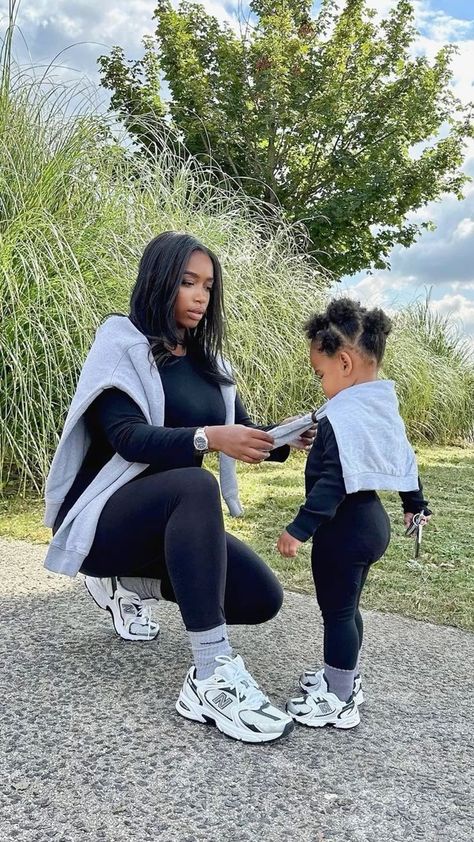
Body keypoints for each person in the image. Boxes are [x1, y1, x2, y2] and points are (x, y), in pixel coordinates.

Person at [43, 231, 314, 744]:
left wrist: (289, 437)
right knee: (194, 482)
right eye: (187, 282)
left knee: (260, 597)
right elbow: (126, 436)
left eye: (208, 286)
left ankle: (129, 587)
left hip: (170, 527)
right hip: (103, 520)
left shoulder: (209, 363)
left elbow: (245, 433)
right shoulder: (120, 342)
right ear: (159, 280)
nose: (199, 296)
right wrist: (209, 437)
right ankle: (210, 674)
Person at [276, 298, 432, 730]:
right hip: (372, 524)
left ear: (344, 363)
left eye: (321, 374)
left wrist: (299, 529)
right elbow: (404, 460)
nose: (321, 383)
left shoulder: (341, 418)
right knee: (349, 607)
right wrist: (415, 504)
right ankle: (342, 675)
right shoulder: (381, 408)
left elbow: (332, 482)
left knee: (338, 613)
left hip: (342, 530)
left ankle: (340, 699)